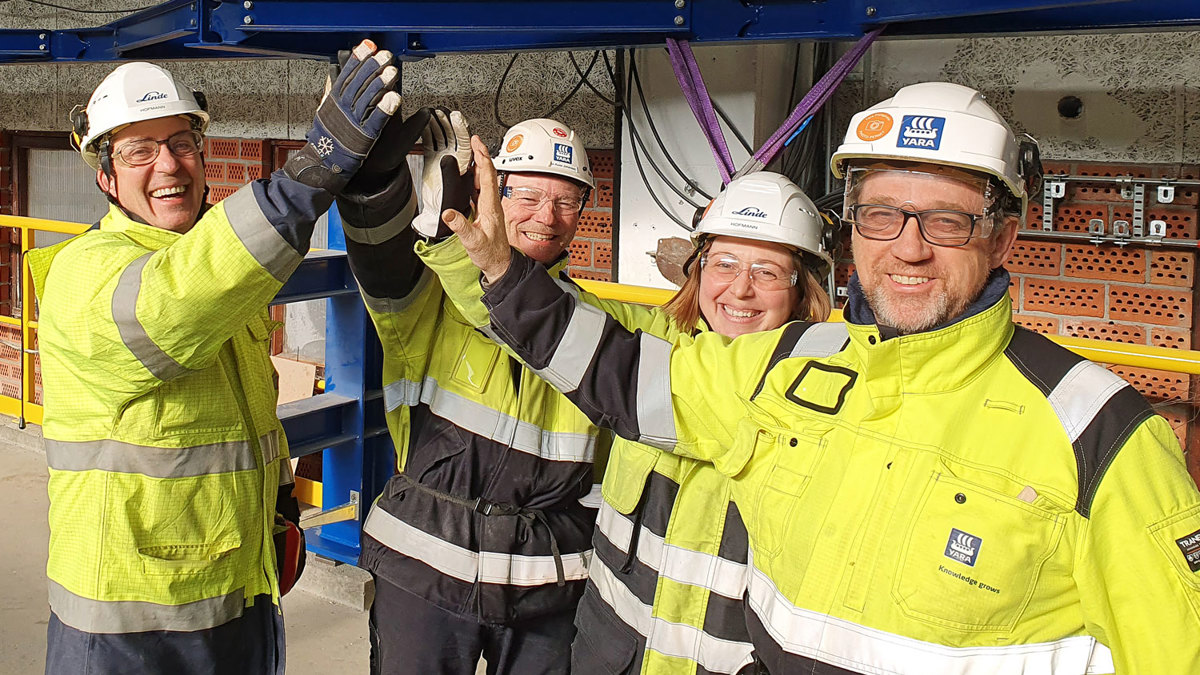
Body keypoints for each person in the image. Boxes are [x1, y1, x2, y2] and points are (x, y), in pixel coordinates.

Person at [448, 82, 1200, 673]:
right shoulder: (790, 365)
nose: (907, 249)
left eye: (945, 220)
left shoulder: (1098, 436)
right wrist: (496, 265)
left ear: (1002, 234)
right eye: (881, 216)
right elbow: (622, 372)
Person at [29, 43, 403, 674]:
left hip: (236, 590)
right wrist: (313, 173)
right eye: (138, 151)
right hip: (133, 621)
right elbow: (181, 298)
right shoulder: (84, 276)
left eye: (180, 143)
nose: (168, 165)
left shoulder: (219, 252)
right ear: (105, 178)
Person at [425, 169, 835, 674]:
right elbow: (537, 321)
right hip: (610, 652)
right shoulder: (657, 342)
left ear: (804, 290)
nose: (740, 290)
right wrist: (487, 261)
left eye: (767, 272)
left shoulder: (823, 401)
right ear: (698, 272)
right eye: (724, 264)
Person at [334, 113, 607, 675]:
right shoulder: (430, 295)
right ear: (492, 193)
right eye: (527, 195)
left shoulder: (598, 322)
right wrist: (379, 188)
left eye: (566, 201)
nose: (546, 218)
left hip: (546, 578)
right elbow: (381, 259)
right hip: (424, 570)